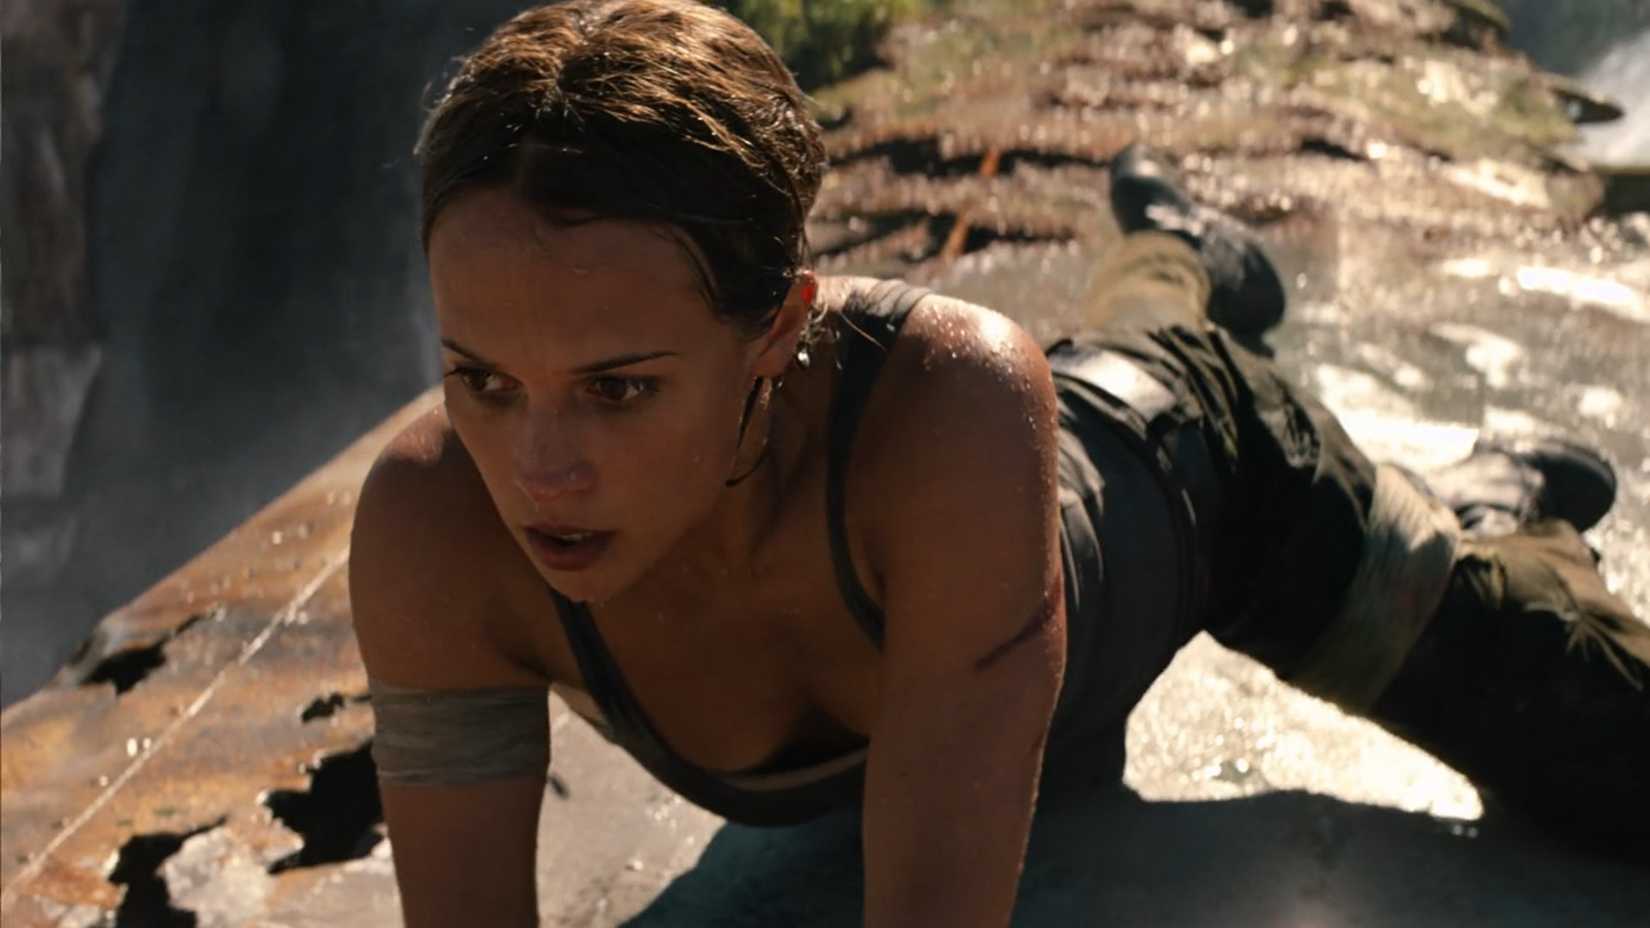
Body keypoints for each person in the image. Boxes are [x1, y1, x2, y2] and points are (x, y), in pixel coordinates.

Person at [347, 1, 1650, 924]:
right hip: (1027, 617)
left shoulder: (950, 413)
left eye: (619, 390)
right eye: (483, 379)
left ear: (777, 333)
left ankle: (1493, 510)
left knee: (1613, 764)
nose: (539, 470)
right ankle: (1179, 254)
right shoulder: (431, 528)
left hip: (1204, 480)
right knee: (1121, 354)